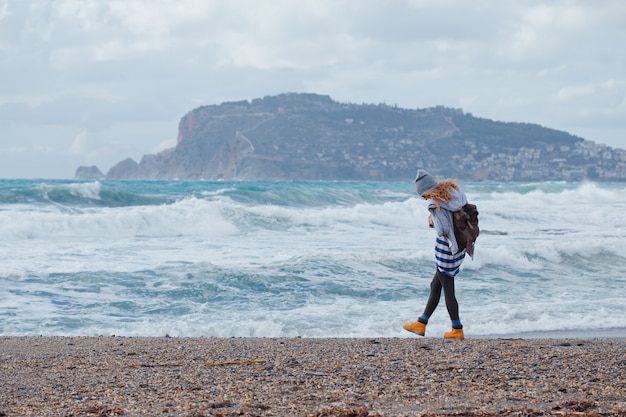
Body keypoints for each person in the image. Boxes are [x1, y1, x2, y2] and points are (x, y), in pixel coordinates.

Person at [403, 169, 469, 339]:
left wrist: (432, 222)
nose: (424, 199)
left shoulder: (436, 204)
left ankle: (457, 328)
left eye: (423, 195)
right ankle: (421, 323)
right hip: (459, 247)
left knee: (448, 290)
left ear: (428, 190)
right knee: (435, 285)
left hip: (446, 250)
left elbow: (443, 229)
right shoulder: (455, 193)